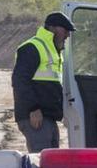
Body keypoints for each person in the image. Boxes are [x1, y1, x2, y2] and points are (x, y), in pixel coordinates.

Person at [12, 12, 75, 153]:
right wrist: (33, 109)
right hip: (36, 116)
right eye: (65, 30)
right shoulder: (32, 47)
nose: (67, 35)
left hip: (47, 117)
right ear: (53, 28)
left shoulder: (53, 51)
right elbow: (19, 81)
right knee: (42, 163)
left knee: (51, 162)